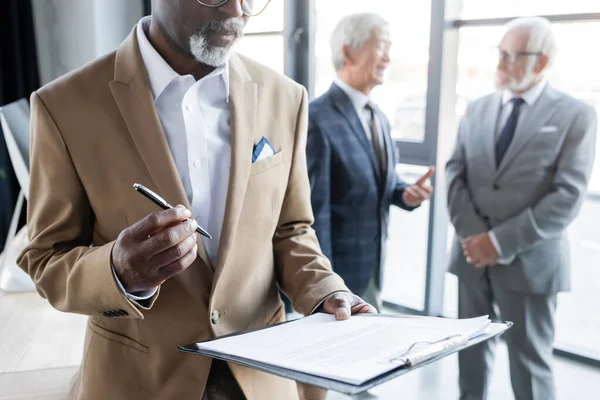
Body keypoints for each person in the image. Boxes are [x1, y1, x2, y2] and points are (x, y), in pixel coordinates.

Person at [17, 1, 376, 399]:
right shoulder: (65, 106)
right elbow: (45, 258)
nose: (236, 11)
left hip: (263, 379)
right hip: (138, 380)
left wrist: (324, 289)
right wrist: (118, 271)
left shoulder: (286, 98)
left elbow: (291, 230)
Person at [446, 16, 596, 400]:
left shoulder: (575, 115)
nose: (501, 63)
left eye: (512, 56)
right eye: (500, 53)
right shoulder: (476, 108)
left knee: (529, 367)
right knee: (470, 360)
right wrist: (473, 238)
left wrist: (496, 242)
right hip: (470, 260)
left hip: (530, 264)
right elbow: (454, 172)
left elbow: (567, 197)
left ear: (541, 63)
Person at [306, 13, 433, 312]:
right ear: (348, 52)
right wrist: (323, 284)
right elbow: (313, 212)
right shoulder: (317, 117)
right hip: (335, 279)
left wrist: (404, 193)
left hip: (373, 267)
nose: (388, 57)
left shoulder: (379, 116)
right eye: (381, 46)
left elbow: (380, 183)